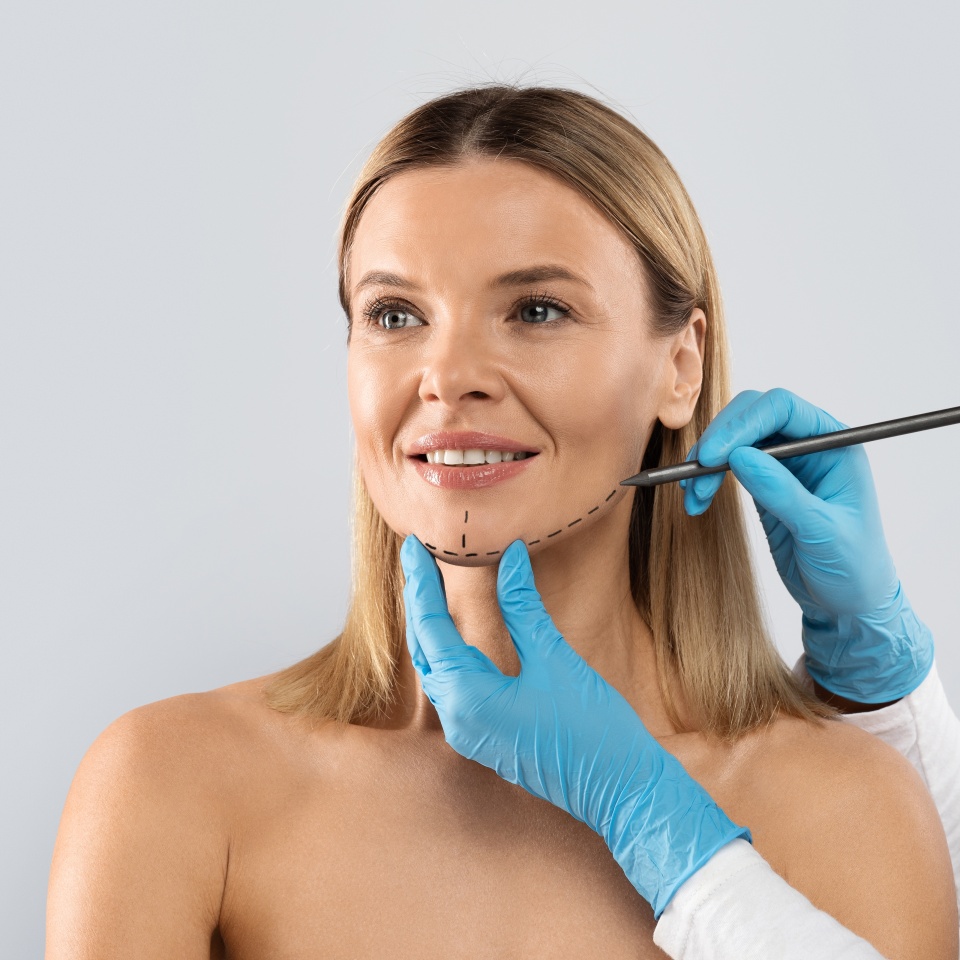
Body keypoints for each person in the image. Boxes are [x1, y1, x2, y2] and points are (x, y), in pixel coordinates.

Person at [45, 85, 959, 959]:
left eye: (536, 310)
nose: (448, 376)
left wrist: (656, 808)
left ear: (680, 367)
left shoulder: (849, 806)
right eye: (395, 313)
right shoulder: (170, 785)